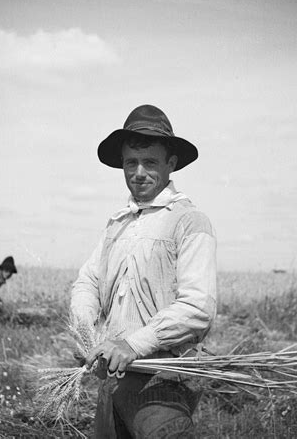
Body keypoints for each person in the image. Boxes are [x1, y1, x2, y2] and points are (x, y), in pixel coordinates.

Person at [70, 104, 217, 438]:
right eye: (130, 162)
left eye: (150, 162)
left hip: (161, 381)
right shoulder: (117, 225)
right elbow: (87, 282)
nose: (138, 172)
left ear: (170, 163)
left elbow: (198, 307)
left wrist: (133, 344)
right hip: (112, 379)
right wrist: (86, 332)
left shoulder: (190, 221)